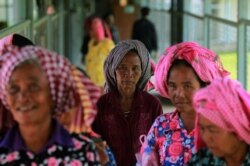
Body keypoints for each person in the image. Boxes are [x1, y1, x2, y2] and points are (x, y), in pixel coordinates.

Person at [0, 44, 100, 165]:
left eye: (33, 86)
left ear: (54, 93)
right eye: (14, 88)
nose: (22, 97)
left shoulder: (83, 152)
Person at [139, 42, 229, 165]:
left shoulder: (219, 127)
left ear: (204, 86)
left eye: (187, 86)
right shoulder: (161, 125)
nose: (179, 94)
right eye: (172, 86)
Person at [92, 39, 163, 166]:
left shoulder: (152, 105)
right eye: (122, 67)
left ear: (143, 71)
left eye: (135, 68)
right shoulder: (101, 105)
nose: (128, 74)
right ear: (114, 70)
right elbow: (96, 145)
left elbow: (159, 145)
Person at [187, 77, 250, 166]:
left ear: (238, 129)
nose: (206, 137)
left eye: (212, 130)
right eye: (202, 129)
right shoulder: (202, 160)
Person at [85, 17, 114, 88]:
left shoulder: (107, 44)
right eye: (89, 30)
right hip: (91, 84)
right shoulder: (90, 43)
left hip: (104, 85)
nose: (90, 32)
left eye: (91, 30)